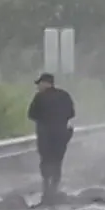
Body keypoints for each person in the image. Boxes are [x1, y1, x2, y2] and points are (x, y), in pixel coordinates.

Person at [27, 72, 75, 203]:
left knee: (46, 159)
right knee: (58, 160)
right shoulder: (64, 96)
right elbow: (71, 114)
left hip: (45, 135)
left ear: (45, 83)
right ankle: (54, 187)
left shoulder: (40, 97)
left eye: (39, 84)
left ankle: (46, 188)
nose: (38, 87)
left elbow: (31, 115)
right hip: (61, 134)